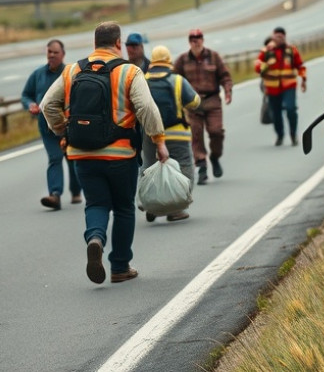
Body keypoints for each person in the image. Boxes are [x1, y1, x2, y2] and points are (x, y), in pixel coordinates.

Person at [41, 21, 169, 284]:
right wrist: (158, 140)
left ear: (94, 43)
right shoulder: (130, 71)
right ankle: (120, 267)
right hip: (120, 156)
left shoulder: (72, 70)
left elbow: (47, 106)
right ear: (119, 43)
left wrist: (63, 133)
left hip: (82, 154)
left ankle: (96, 238)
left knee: (96, 203)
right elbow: (147, 108)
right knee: (123, 208)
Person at [141, 45, 201, 222]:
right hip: (177, 134)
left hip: (149, 133)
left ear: (152, 62)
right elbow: (195, 102)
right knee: (184, 168)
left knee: (148, 167)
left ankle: (149, 204)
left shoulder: (142, 80)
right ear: (169, 61)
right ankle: (177, 209)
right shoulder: (177, 81)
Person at [21, 39, 83, 210]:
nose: (52, 55)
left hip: (68, 126)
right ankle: (54, 195)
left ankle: (76, 191)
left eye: (55, 52)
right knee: (55, 158)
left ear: (63, 54)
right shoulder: (38, 75)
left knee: (71, 158)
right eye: (49, 52)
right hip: (46, 127)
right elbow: (26, 95)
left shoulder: (70, 73)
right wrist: (30, 105)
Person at [173, 28, 233, 185]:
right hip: (192, 103)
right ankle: (202, 165)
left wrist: (227, 91)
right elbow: (174, 80)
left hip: (212, 101)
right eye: (192, 38)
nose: (196, 41)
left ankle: (215, 157)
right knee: (196, 133)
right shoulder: (182, 60)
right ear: (189, 41)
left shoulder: (213, 57)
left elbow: (225, 76)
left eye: (198, 38)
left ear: (203, 40)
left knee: (216, 131)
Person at [256, 26, 307, 146]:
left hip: (289, 86)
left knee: (291, 109)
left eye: (281, 36)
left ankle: (293, 134)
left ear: (284, 37)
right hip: (272, 88)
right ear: (273, 37)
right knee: (276, 113)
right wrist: (265, 66)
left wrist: (303, 79)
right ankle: (280, 135)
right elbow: (258, 66)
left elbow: (300, 65)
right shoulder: (266, 51)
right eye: (276, 36)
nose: (279, 38)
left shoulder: (291, 50)